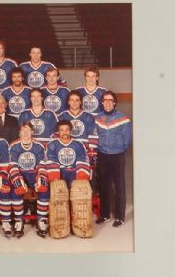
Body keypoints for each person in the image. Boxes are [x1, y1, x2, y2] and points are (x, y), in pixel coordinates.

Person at [94, 91, 132, 227]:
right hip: (103, 155)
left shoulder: (123, 118)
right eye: (105, 100)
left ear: (114, 102)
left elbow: (127, 139)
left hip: (117, 156)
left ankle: (119, 217)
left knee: (119, 185)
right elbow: (95, 136)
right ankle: (105, 214)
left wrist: (118, 150)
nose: (108, 102)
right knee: (104, 186)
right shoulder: (97, 118)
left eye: (110, 100)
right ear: (102, 102)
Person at [9, 122, 50, 238]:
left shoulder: (39, 146)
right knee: (15, 190)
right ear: (19, 132)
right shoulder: (13, 146)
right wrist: (18, 180)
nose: (26, 133)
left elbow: (41, 164)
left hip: (34, 174)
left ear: (32, 132)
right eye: (23, 130)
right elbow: (13, 166)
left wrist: (41, 177)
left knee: (45, 189)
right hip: (20, 174)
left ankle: (41, 220)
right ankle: (18, 221)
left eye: (28, 130)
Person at [45, 120, 91, 187]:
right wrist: (55, 180)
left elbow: (83, 162)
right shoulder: (52, 145)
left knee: (79, 190)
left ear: (70, 131)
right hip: (59, 173)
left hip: (74, 173)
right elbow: (51, 162)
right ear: (58, 132)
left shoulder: (78, 144)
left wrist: (80, 180)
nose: (65, 132)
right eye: (62, 130)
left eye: (67, 129)